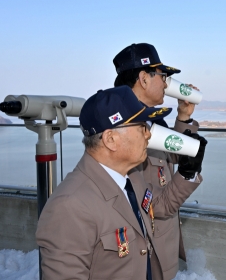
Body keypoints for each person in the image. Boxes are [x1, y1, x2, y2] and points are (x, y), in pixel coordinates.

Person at [36, 86, 206, 280]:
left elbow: (159, 205)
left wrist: (187, 172)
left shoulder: (131, 179)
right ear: (110, 139)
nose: (149, 135)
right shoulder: (70, 206)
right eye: (142, 127)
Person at [112, 42, 203, 278]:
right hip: (147, 257)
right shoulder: (125, 131)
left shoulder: (153, 121)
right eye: (163, 76)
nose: (166, 83)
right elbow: (151, 205)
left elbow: (171, 155)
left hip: (161, 249)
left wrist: (183, 116)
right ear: (143, 78)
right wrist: (188, 174)